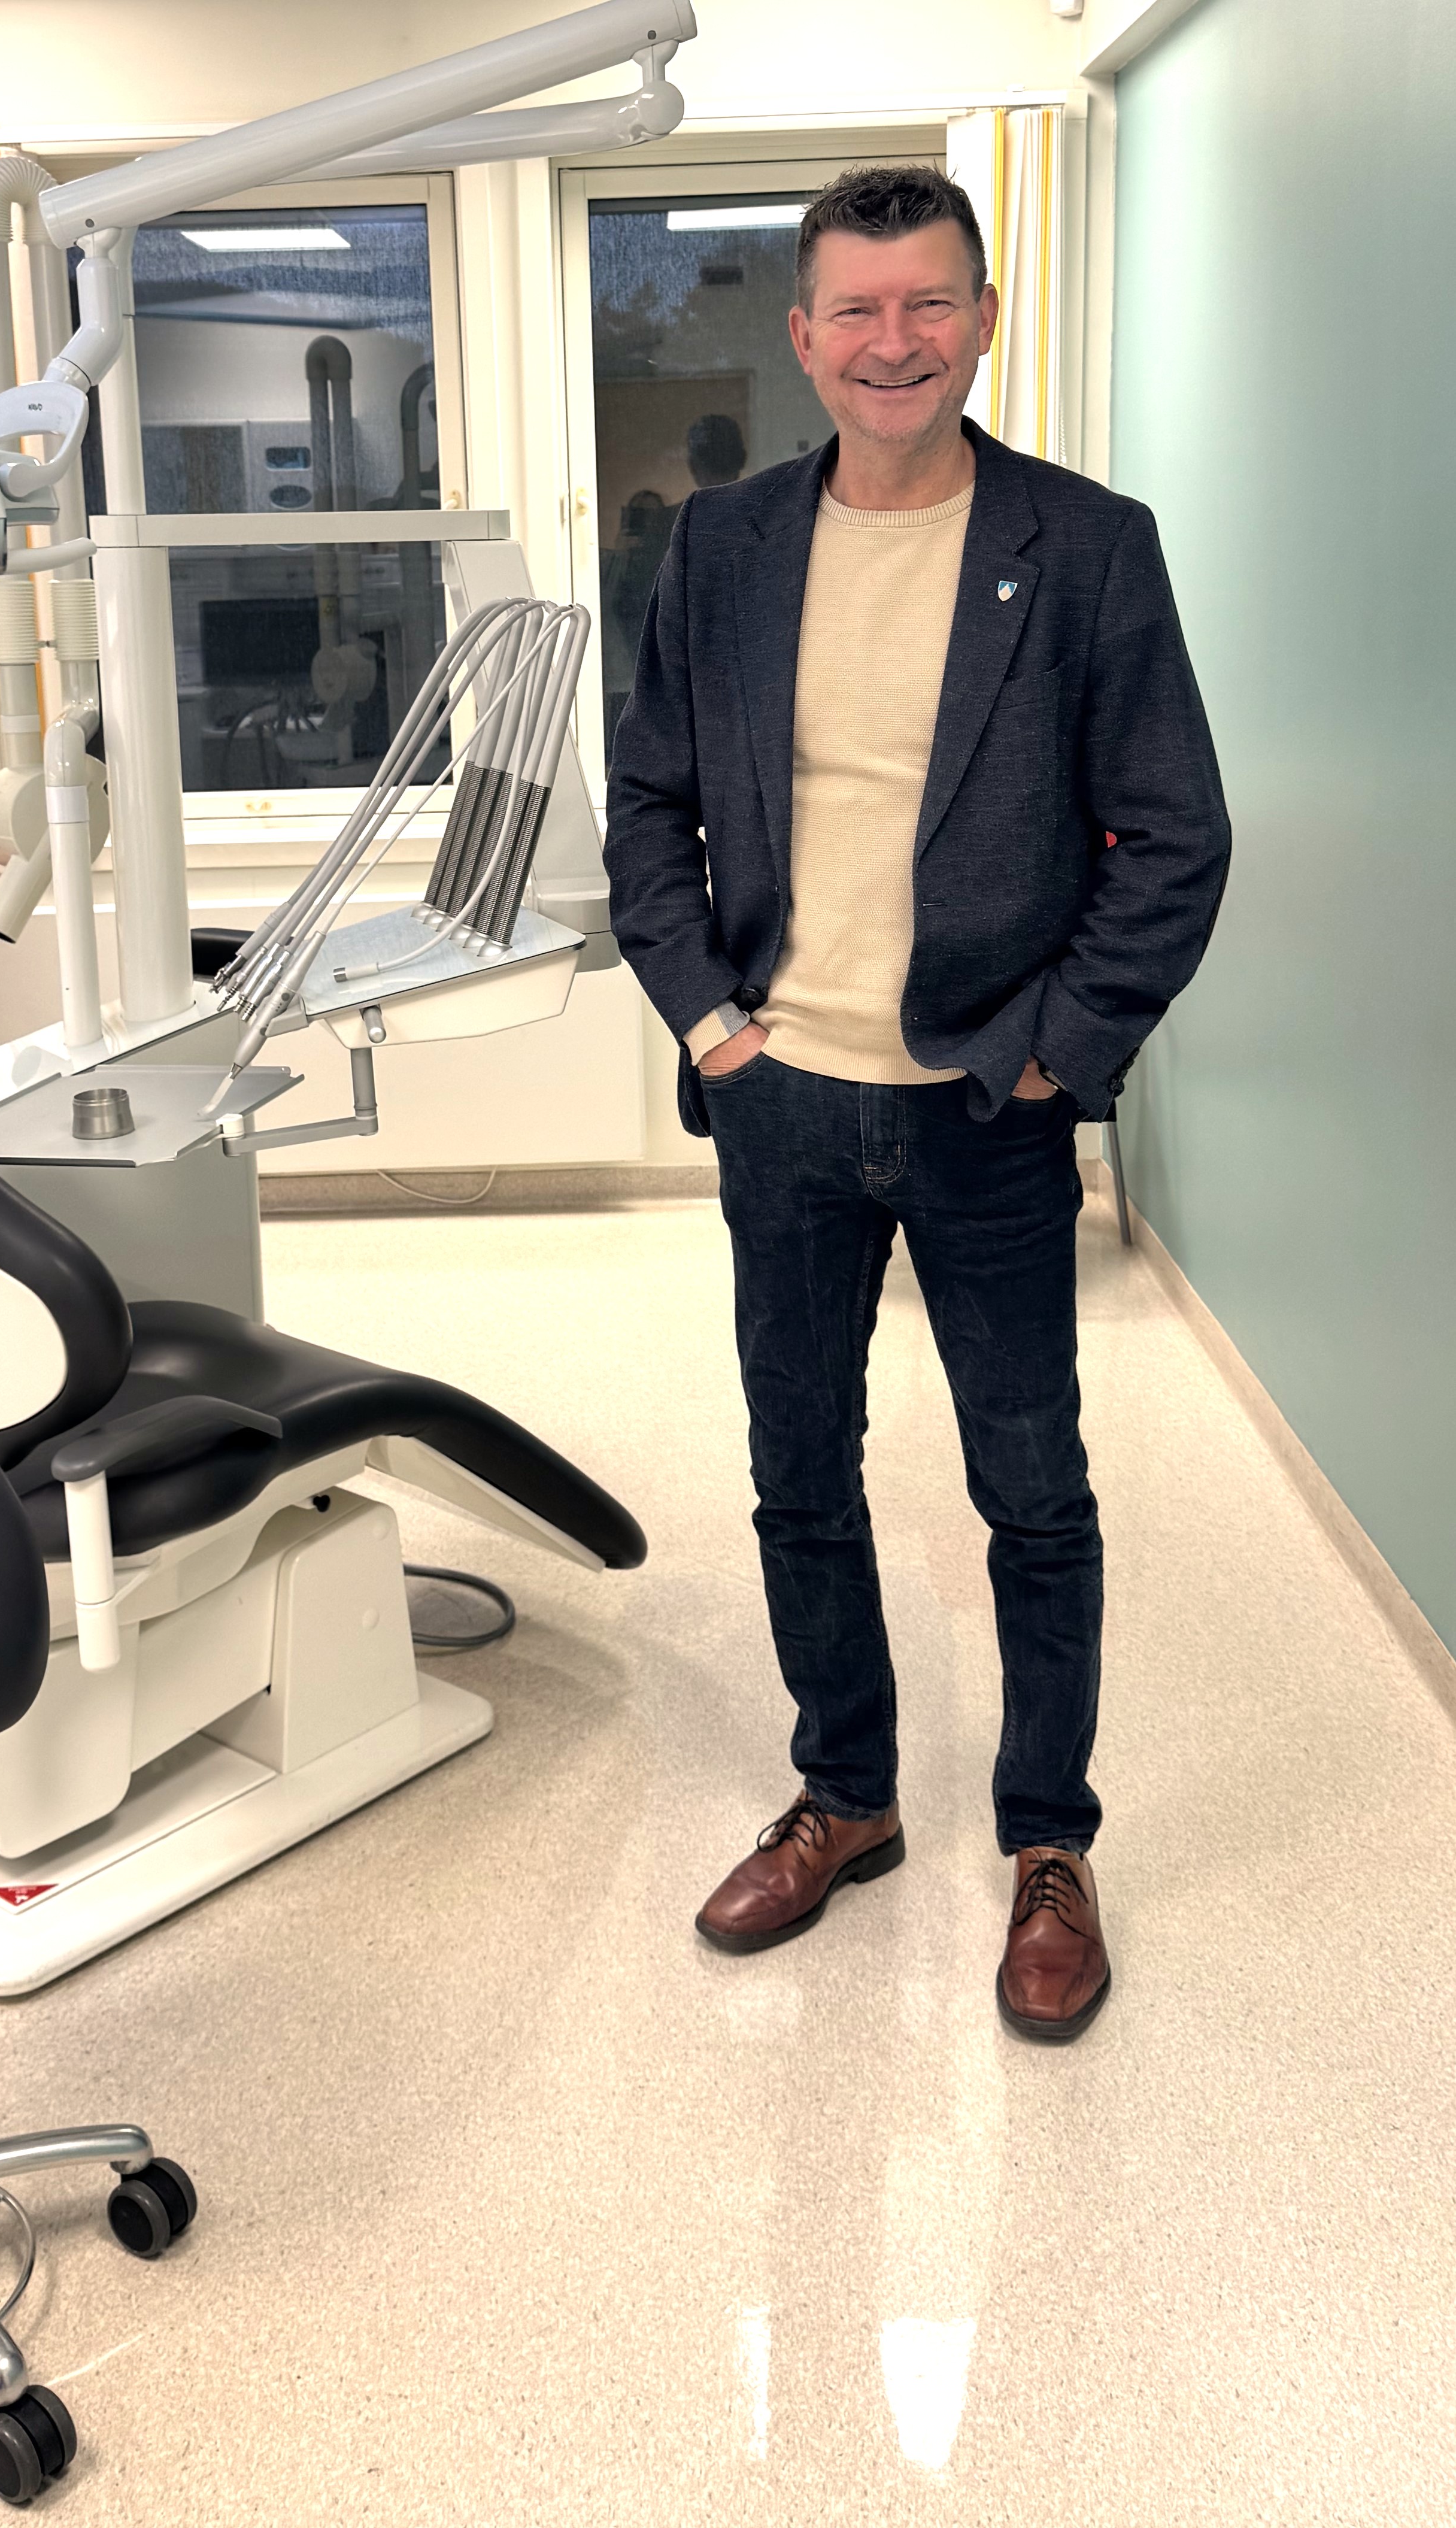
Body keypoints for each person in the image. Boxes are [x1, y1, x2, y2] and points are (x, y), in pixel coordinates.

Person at [603, 164, 1231, 2041]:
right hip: (780, 1099)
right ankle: (846, 1795)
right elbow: (647, 806)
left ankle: (1047, 1843)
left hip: (983, 1106)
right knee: (797, 1467)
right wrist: (710, 1024)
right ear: (804, 338)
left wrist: (1058, 1049)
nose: (895, 342)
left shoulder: (1084, 546)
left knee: (1028, 1487)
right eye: (858, 311)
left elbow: (1173, 836)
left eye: (928, 303)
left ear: (980, 319)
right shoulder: (722, 548)